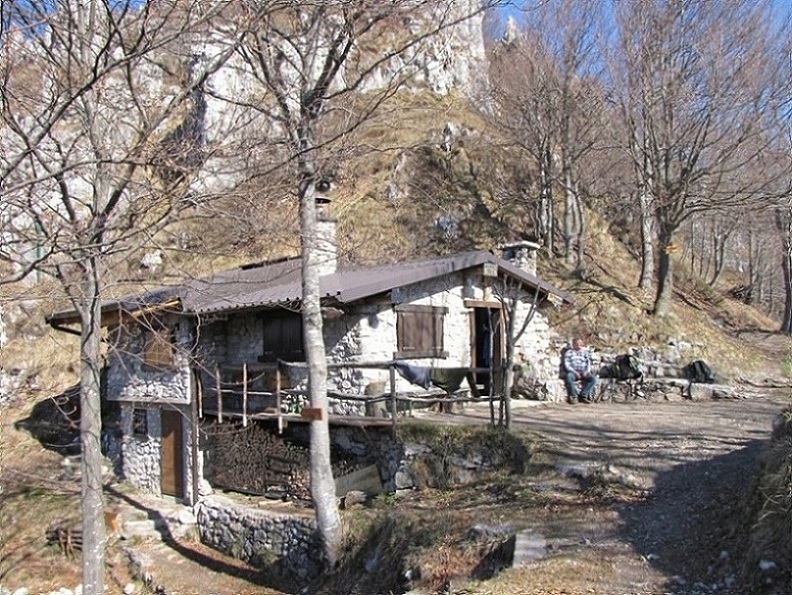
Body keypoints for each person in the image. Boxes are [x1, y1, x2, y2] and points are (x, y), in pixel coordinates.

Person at [563, 337, 598, 404]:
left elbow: (588, 363)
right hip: (573, 372)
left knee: (593, 379)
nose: (579, 345)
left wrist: (586, 371)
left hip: (584, 372)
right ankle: (573, 396)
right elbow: (567, 365)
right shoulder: (569, 353)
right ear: (573, 344)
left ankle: (583, 395)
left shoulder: (585, 352)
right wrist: (575, 372)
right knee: (568, 377)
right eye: (577, 343)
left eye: (580, 343)